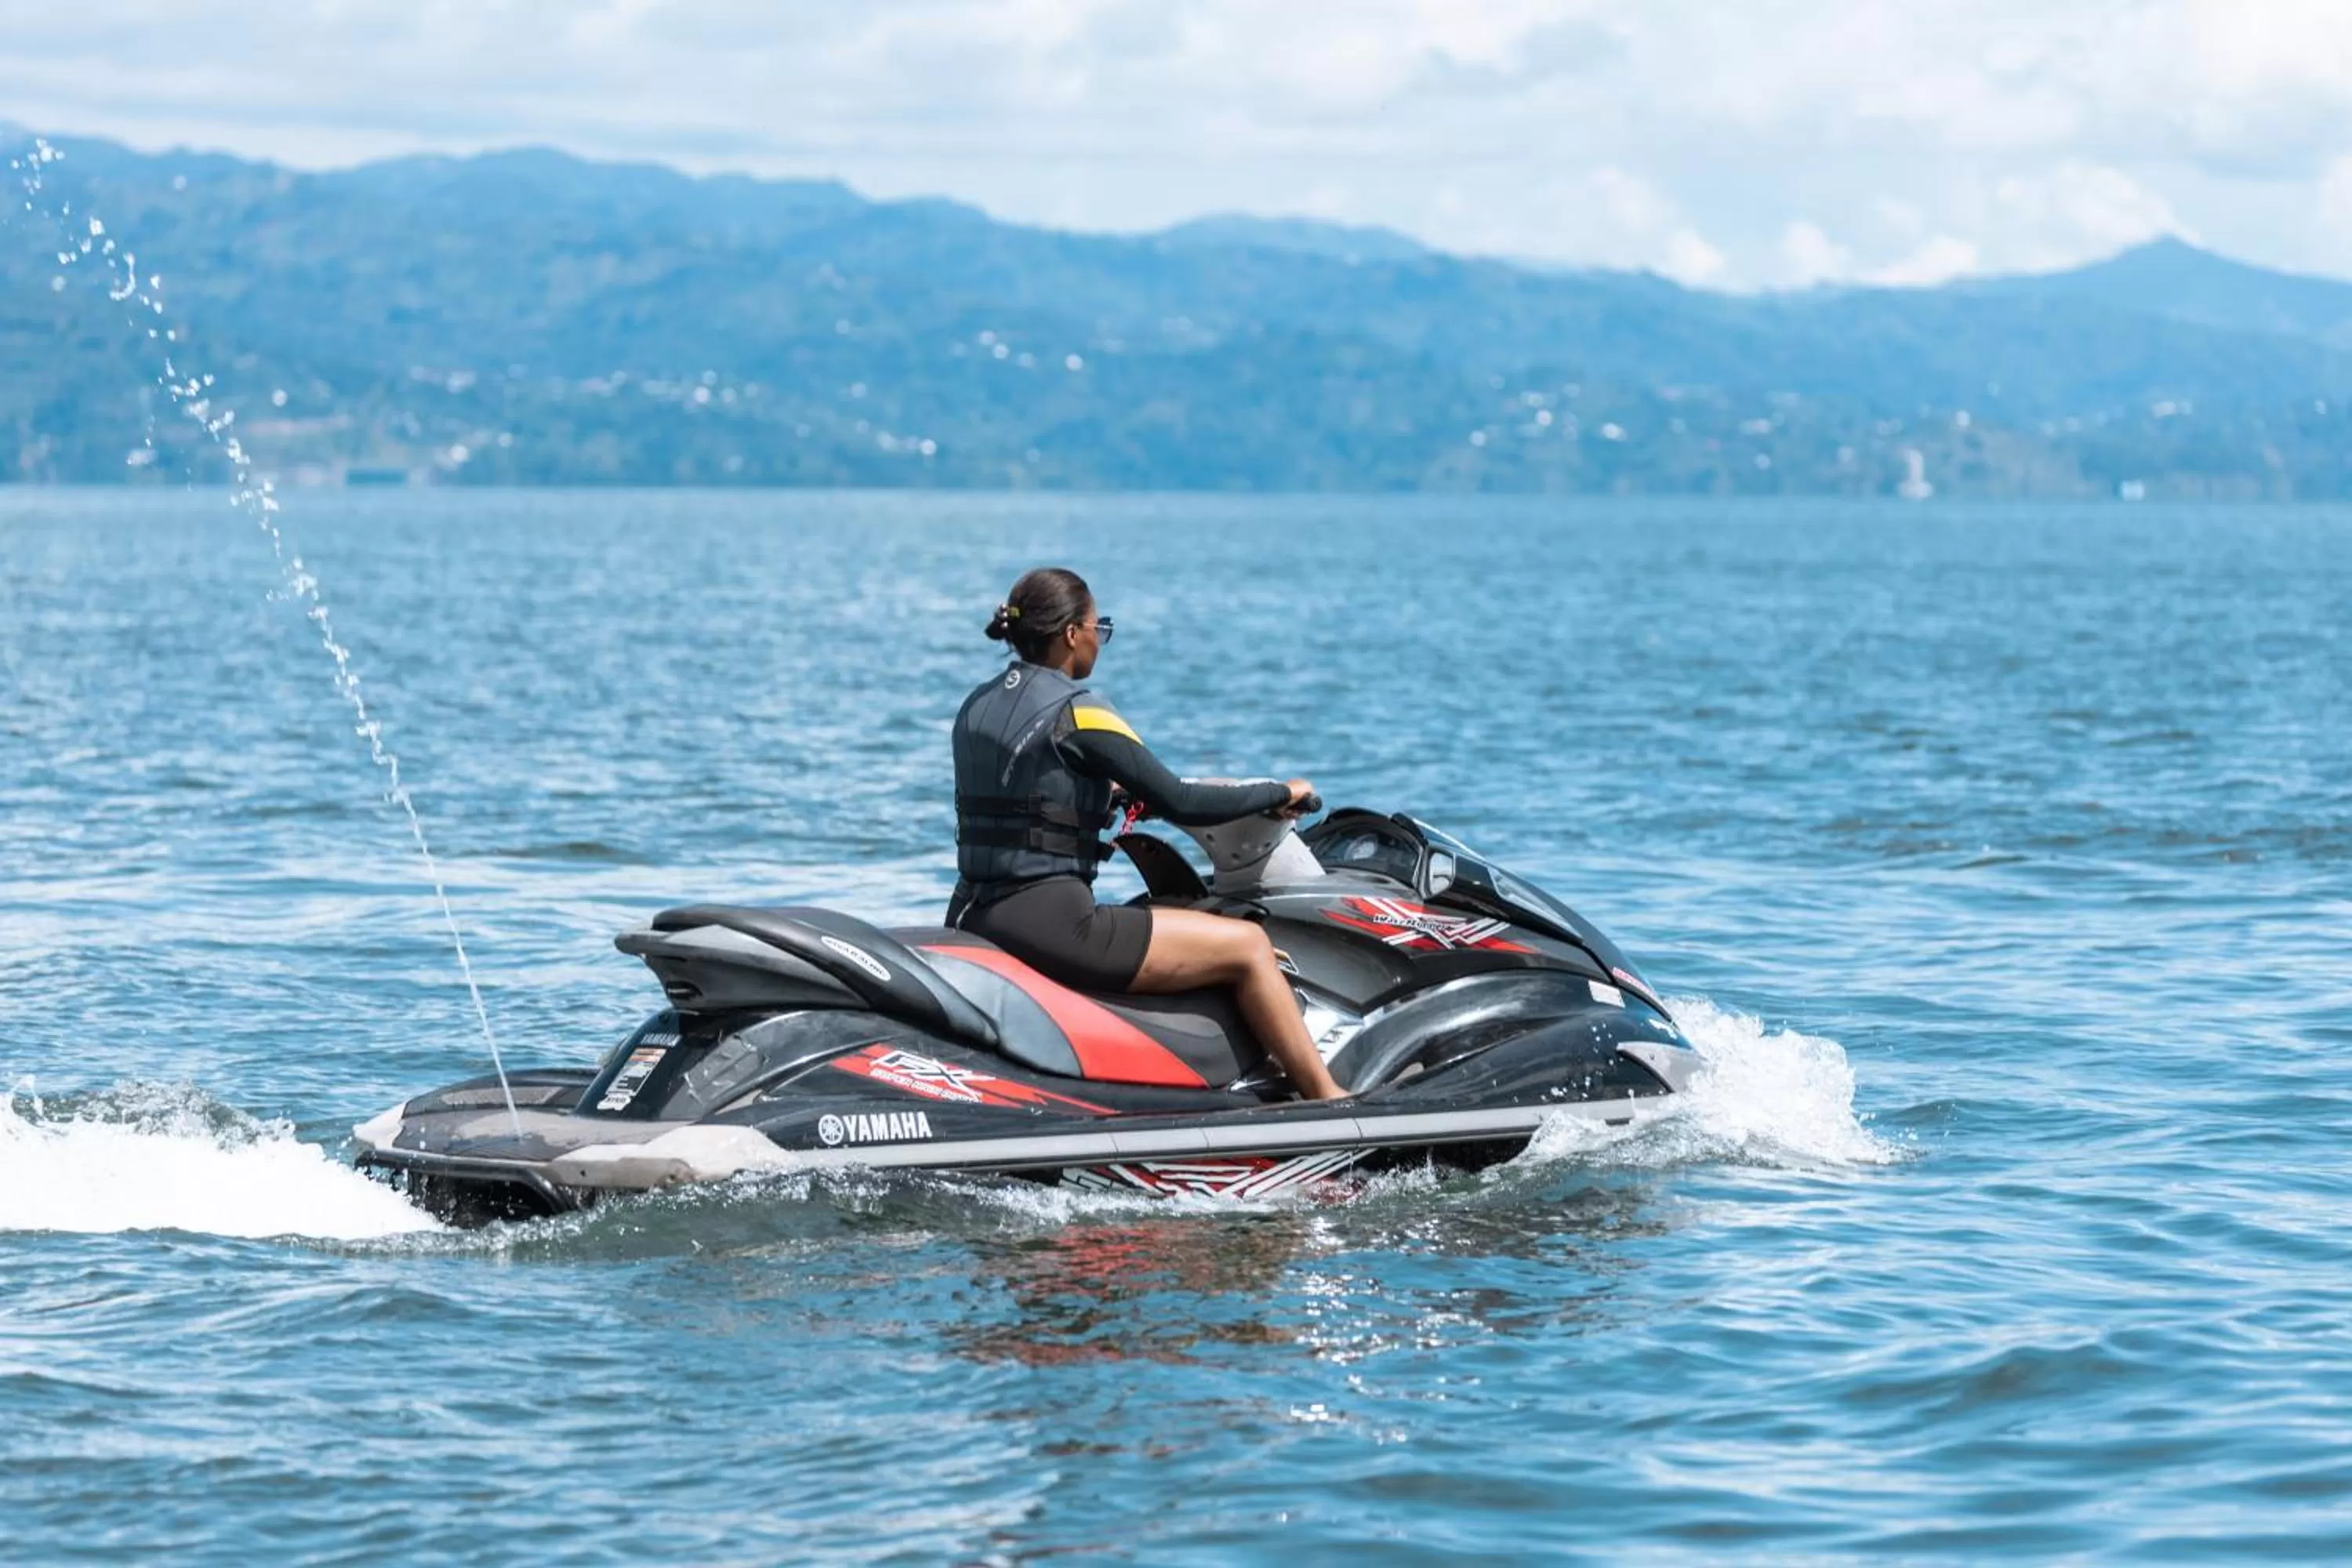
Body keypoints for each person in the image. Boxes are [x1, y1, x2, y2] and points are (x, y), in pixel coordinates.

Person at [946, 567, 1348, 1101]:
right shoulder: (1079, 711)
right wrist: (1279, 794)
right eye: (1099, 627)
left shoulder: (976, 705)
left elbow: (1026, 797)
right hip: (1054, 925)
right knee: (1249, 946)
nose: (1099, 640)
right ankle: (1329, 1100)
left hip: (972, 912)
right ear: (1072, 634)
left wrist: (1104, 798)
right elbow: (1181, 799)